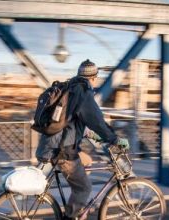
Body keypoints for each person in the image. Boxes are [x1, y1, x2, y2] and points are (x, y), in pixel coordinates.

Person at [35, 59, 129, 220]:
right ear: (93, 77)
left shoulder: (70, 88)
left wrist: (93, 135)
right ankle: (72, 216)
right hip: (63, 150)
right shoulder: (83, 92)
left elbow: (71, 121)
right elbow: (96, 120)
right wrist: (113, 139)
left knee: (87, 162)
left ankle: (79, 209)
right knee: (84, 188)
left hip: (52, 144)